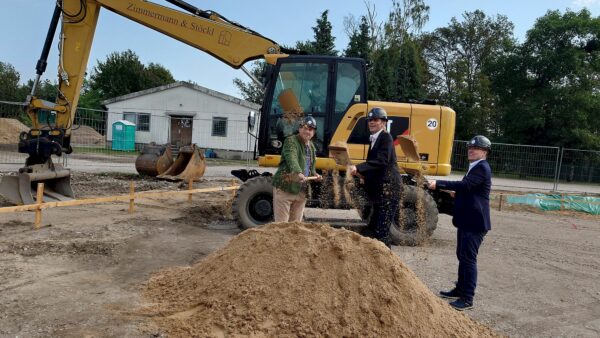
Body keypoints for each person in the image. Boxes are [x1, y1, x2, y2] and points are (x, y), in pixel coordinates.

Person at [427, 135, 493, 311]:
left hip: (475, 222)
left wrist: (438, 183)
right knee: (462, 256)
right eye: (470, 147)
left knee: (468, 259)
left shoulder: (482, 168)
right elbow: (469, 188)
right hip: (466, 220)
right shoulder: (475, 167)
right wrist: (457, 193)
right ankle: (460, 289)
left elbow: (465, 185)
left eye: (476, 148)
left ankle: (467, 298)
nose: (471, 150)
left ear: (485, 152)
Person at [349, 107, 401, 248]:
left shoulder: (386, 137)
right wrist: (363, 175)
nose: (372, 122)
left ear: (383, 122)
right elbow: (378, 167)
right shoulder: (374, 139)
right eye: (370, 120)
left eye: (375, 120)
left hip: (388, 191)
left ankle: (388, 265)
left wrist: (359, 167)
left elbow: (382, 160)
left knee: (382, 231)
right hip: (381, 191)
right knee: (372, 229)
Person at [271, 116, 322, 222]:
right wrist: (298, 172)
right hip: (285, 188)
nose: (307, 131)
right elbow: (292, 158)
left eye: (310, 129)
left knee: (295, 227)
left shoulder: (311, 147)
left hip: (301, 191)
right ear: (299, 128)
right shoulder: (291, 141)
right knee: (282, 226)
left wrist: (314, 174)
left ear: (314, 132)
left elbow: (309, 165)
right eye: (305, 128)